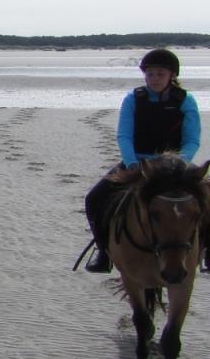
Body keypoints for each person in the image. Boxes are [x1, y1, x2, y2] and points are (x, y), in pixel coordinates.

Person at [83, 47, 202, 273]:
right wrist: (132, 163)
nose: (154, 78)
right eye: (150, 74)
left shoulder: (186, 101)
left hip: (174, 167)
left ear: (172, 76)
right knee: (94, 198)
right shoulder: (133, 99)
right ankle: (103, 254)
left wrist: (177, 163)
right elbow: (124, 135)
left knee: (206, 197)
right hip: (138, 163)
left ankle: (208, 252)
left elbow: (192, 139)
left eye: (160, 74)